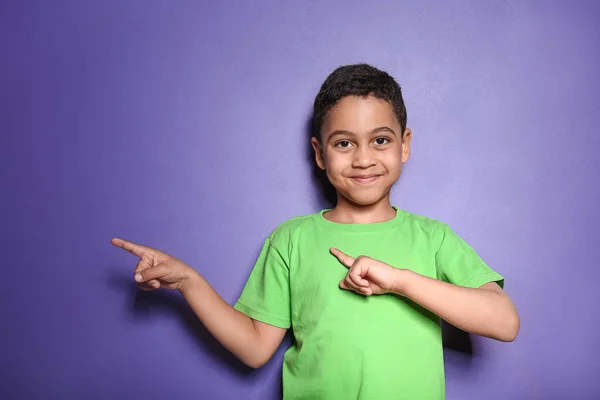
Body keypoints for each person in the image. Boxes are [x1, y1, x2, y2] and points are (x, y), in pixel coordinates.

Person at [112, 64, 520, 399]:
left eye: (380, 140)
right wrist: (190, 282)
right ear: (319, 153)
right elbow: (255, 348)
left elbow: (504, 322)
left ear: (404, 145)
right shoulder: (291, 239)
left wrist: (399, 282)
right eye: (344, 144)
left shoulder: (433, 238)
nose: (363, 159)